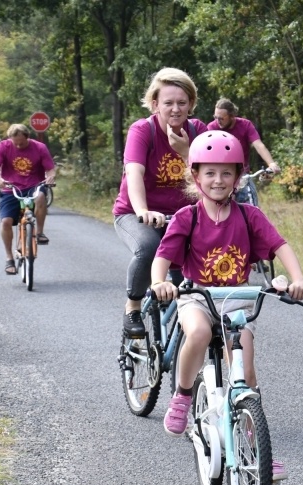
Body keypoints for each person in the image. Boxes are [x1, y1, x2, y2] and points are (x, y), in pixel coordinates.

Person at [150, 131, 303, 480]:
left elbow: (280, 246)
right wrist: (160, 282)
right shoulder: (186, 217)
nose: (218, 180)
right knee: (200, 332)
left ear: (238, 177)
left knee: (246, 374)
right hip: (197, 295)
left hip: (237, 296)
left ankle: (255, 450)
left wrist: (296, 278)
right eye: (210, 172)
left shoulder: (249, 215)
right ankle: (183, 394)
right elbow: (163, 257)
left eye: (226, 173)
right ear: (196, 176)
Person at [113, 67, 207, 337]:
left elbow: (210, 177)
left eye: (182, 102)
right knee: (149, 246)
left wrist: (187, 151)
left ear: (191, 104)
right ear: (155, 104)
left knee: (189, 283)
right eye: (168, 103)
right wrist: (142, 210)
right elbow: (134, 173)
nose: (175, 109)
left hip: (183, 217)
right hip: (136, 214)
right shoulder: (143, 130)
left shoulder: (198, 130)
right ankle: (132, 305)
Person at [0, 123, 56, 275]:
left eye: (21, 142)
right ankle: (9, 258)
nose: (18, 145)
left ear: (28, 137)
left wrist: (51, 177)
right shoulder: (3, 146)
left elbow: (50, 168)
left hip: (34, 185)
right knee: (6, 222)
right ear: (10, 138)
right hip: (10, 187)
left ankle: (39, 233)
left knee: (40, 197)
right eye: (15, 142)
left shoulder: (39, 147)